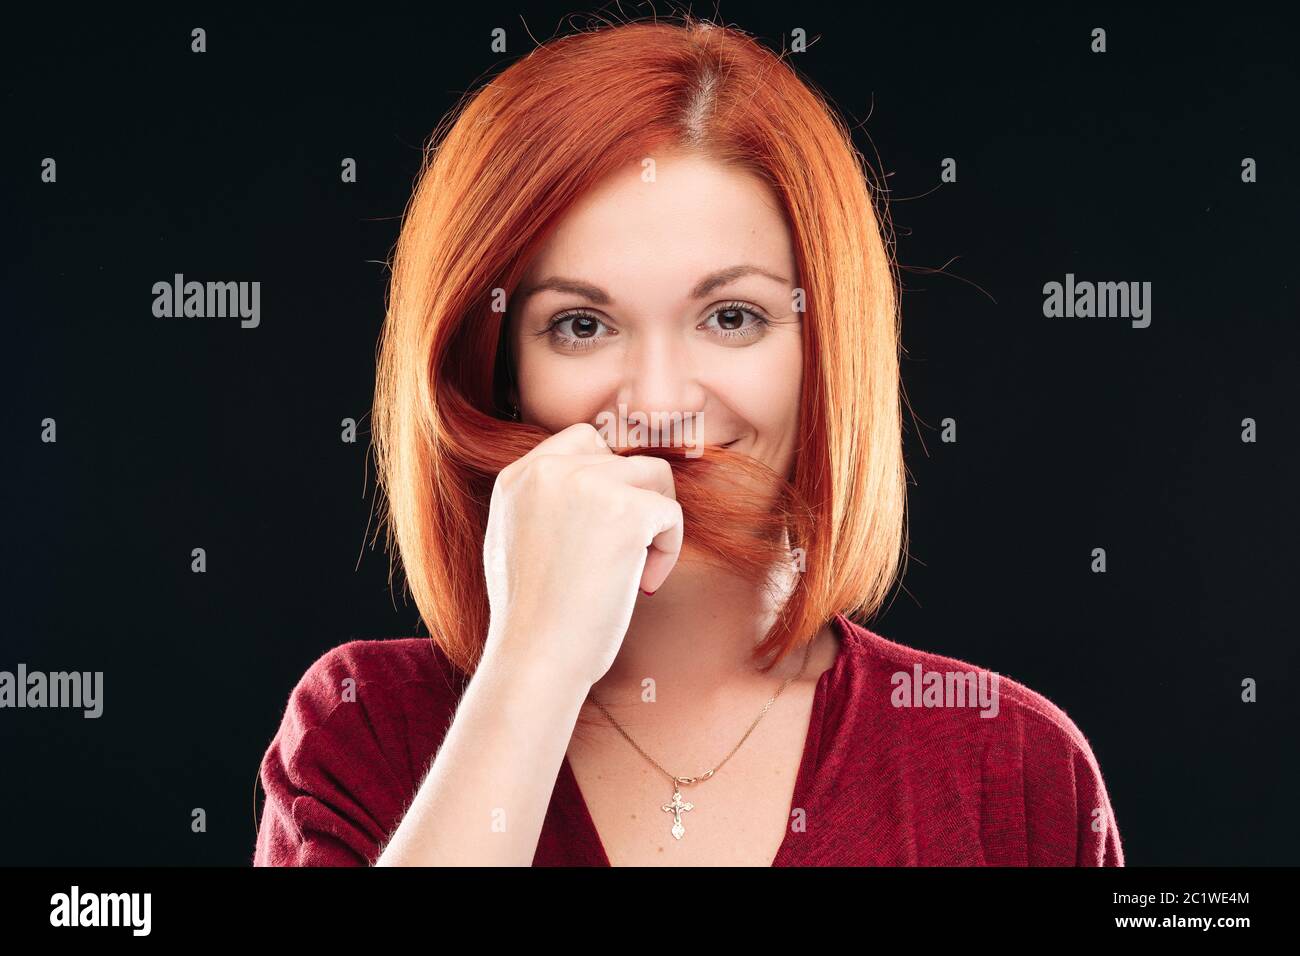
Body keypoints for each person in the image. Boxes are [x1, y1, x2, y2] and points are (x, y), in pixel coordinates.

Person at [254, 16, 1123, 867]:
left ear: (822, 352)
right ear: (497, 369)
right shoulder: (362, 728)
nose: (660, 403)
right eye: (582, 324)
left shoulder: (1011, 767)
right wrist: (532, 670)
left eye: (731, 317)